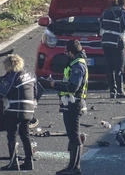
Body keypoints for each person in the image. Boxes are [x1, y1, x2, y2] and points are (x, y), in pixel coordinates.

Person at [0, 54, 36, 171]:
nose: (4, 69)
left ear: (11, 65)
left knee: (12, 136)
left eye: (5, 66)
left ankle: (13, 162)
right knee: (25, 136)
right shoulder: (29, 75)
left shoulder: (12, 77)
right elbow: (36, 90)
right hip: (28, 110)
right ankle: (29, 161)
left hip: (14, 110)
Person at [47, 39, 88, 175]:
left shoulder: (78, 65)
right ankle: (71, 166)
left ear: (71, 51)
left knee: (74, 136)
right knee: (71, 136)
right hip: (68, 103)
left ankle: (75, 168)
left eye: (66, 51)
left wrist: (55, 85)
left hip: (74, 103)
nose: (65, 53)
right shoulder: (74, 63)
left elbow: (73, 86)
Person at [100, 0, 125, 98]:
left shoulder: (105, 12)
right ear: (124, 5)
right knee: (119, 68)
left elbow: (101, 26)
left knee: (109, 68)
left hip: (105, 42)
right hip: (117, 43)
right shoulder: (123, 14)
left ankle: (112, 91)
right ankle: (120, 91)